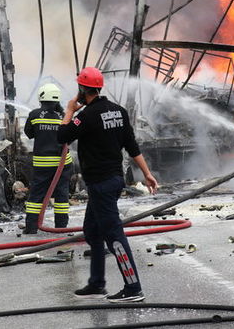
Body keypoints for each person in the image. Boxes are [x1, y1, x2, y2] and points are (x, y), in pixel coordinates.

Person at [57, 67, 159, 303]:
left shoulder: (87, 115)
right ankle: (96, 284)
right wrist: (147, 173)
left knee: (114, 236)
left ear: (82, 89)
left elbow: (62, 136)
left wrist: (70, 110)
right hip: (112, 180)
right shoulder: (119, 111)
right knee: (92, 231)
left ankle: (133, 288)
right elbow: (132, 146)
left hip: (101, 184)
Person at [23, 83, 74, 234]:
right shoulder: (64, 116)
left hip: (42, 164)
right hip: (62, 164)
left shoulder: (34, 115)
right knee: (61, 195)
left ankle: (31, 228)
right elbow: (70, 138)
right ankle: (61, 228)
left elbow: (29, 134)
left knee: (36, 195)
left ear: (41, 97)